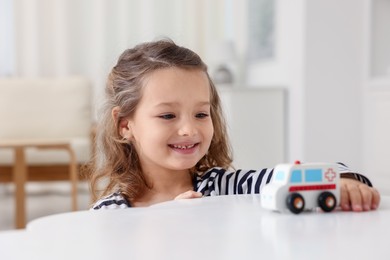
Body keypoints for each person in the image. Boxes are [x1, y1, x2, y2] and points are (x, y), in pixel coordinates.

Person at [89, 39, 380, 212]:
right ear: (125, 125)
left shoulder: (229, 187)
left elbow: (311, 173)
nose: (189, 129)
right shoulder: (110, 212)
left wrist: (345, 182)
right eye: (168, 116)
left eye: (201, 114)